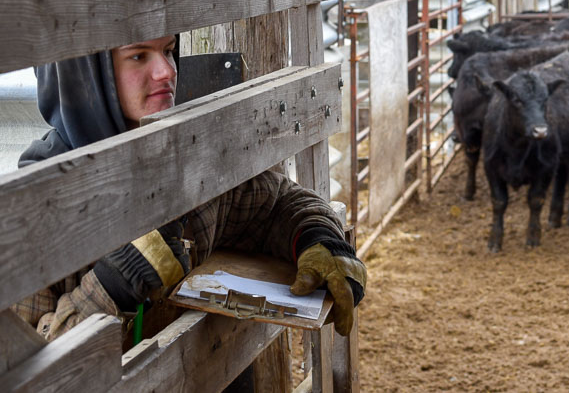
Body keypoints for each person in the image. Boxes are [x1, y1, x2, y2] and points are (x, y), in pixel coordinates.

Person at [12, 35, 366, 341]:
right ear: (82, 79)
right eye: (139, 55)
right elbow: (27, 367)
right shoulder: (29, 212)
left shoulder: (187, 161)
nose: (167, 71)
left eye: (168, 50)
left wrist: (319, 239)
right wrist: (116, 284)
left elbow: (274, 205)